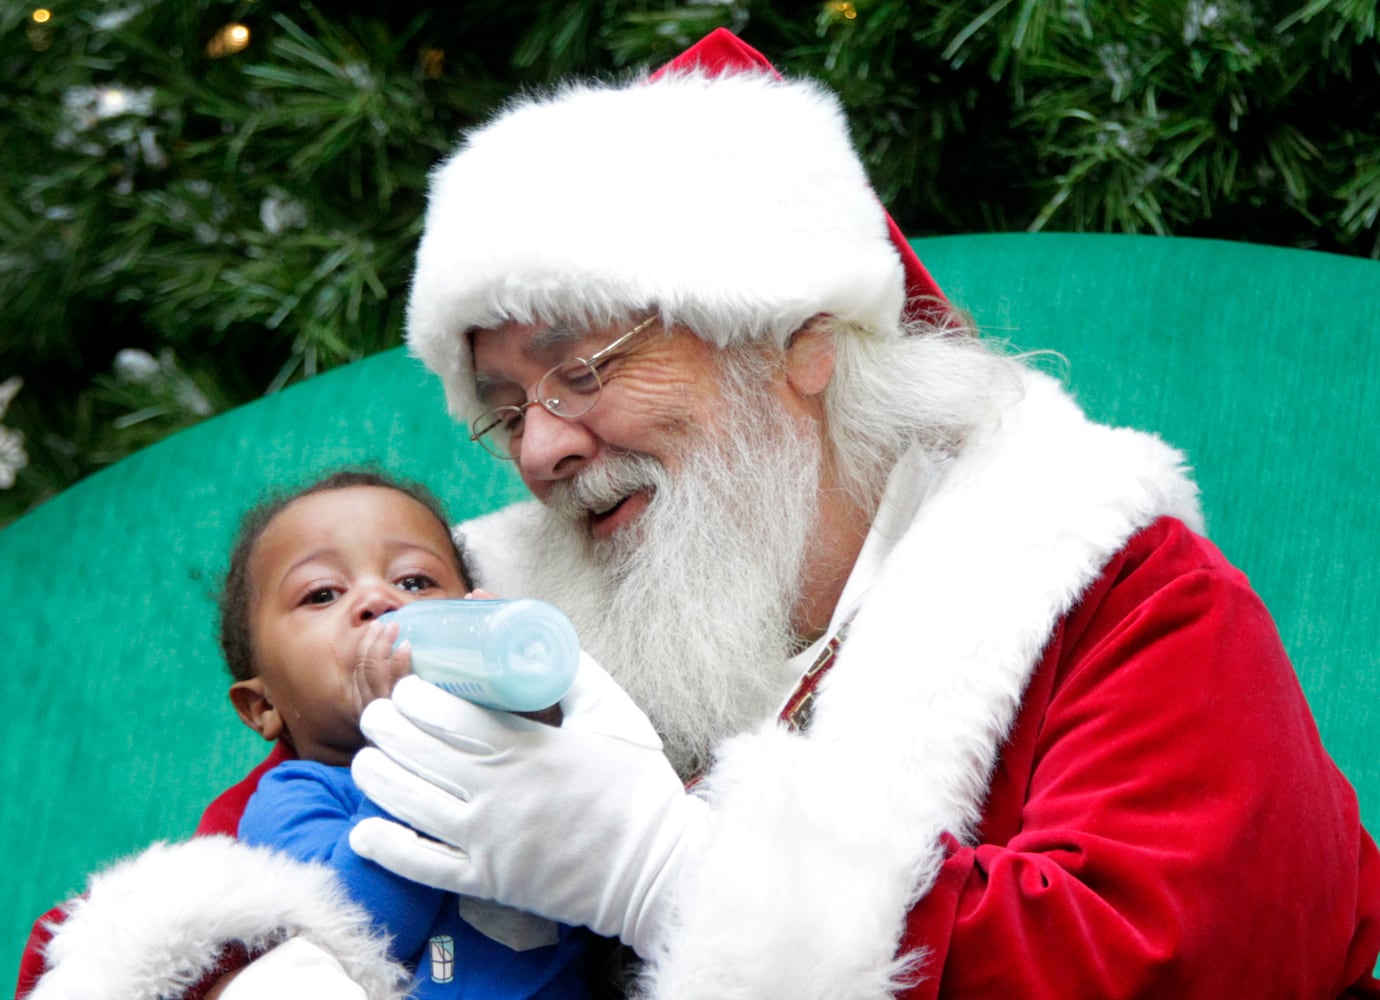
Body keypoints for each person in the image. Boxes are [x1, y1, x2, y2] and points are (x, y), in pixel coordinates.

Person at [18, 28, 1380, 1000]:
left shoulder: (1109, 590)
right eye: (504, 408)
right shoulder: (495, 614)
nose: (542, 450)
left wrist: (675, 877)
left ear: (796, 341)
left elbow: (1198, 958)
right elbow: (171, 909)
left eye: (586, 370)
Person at [21, 470, 599, 1000]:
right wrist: (411, 749)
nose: (380, 600)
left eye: (416, 581)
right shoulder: (295, 797)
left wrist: (547, 731)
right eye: (322, 593)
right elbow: (369, 928)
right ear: (263, 706)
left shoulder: (516, 747)